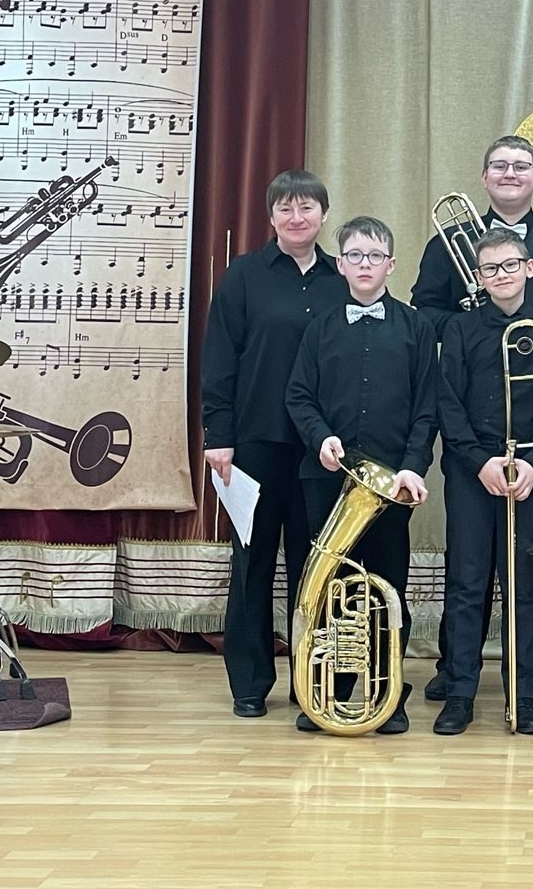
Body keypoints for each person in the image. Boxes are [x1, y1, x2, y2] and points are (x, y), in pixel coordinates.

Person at [414, 135, 533, 704]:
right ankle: (457, 671)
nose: (510, 174)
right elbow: (425, 310)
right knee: (467, 569)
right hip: (475, 419)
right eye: (499, 165)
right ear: (484, 176)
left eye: (521, 166)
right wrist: (472, 324)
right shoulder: (448, 243)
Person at [286, 216, 439, 735]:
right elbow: (298, 395)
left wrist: (413, 467)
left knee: (387, 588)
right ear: (341, 264)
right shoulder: (320, 327)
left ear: (391, 264)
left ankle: (387, 696)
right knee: (326, 589)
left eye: (374, 256)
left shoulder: (416, 327)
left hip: (391, 484)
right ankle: (326, 695)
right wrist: (320, 437)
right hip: (326, 477)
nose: (365, 264)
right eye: (354, 255)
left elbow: (426, 408)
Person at [202, 169, 346, 720]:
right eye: (285, 208)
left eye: (306, 207)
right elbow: (219, 358)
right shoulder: (243, 276)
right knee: (253, 563)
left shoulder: (342, 278)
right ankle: (250, 682)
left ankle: (313, 683)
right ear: (271, 217)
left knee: (317, 568)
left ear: (323, 215)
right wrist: (219, 436)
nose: (296, 217)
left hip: (321, 449)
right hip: (255, 443)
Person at [433, 228, 533, 736]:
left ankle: (523, 695)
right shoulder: (459, 330)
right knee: (467, 584)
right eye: (490, 268)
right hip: (472, 473)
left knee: (525, 589)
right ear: (479, 276)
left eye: (510, 265)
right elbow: (448, 405)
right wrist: (480, 462)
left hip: (529, 476)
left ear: (529, 268)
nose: (502, 275)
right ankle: (460, 694)